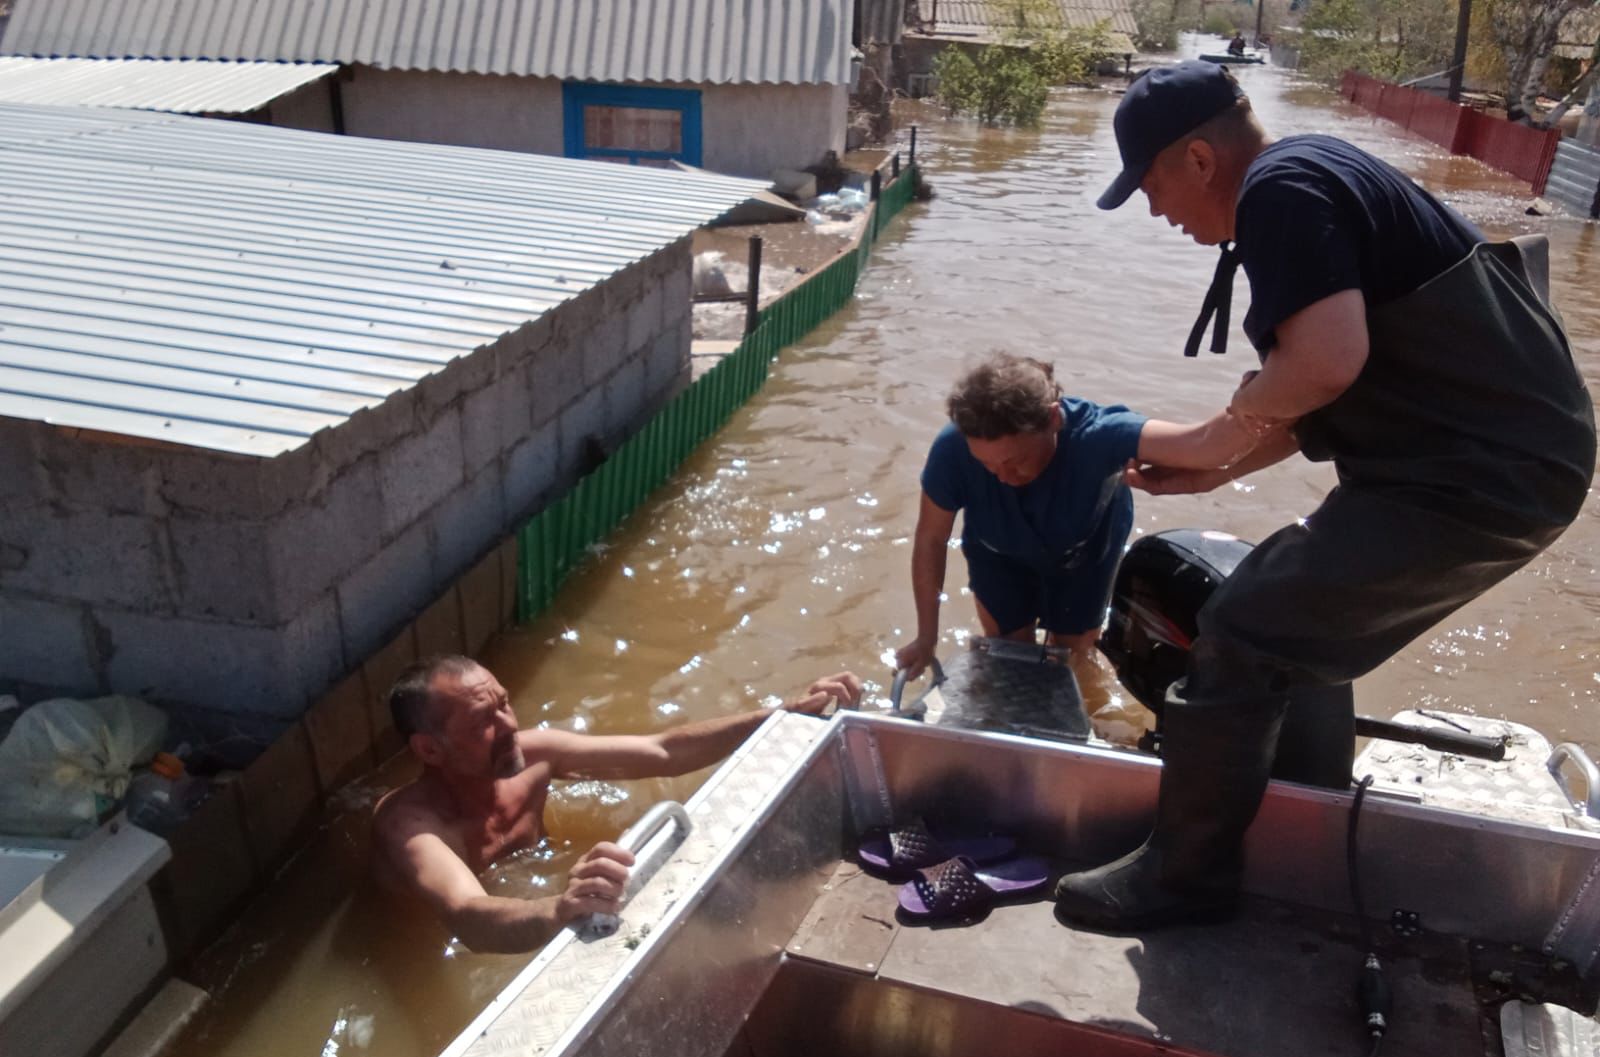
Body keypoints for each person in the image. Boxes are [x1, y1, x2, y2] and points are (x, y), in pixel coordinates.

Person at [1053, 61, 1595, 931]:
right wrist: (1215, 468)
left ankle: (1187, 875)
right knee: (1280, 619)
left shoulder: (1281, 190)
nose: (1156, 210)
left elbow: (1321, 365)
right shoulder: (1309, 173)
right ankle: (1270, 824)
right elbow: (1334, 385)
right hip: (1490, 457)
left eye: (1151, 185)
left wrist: (1223, 435)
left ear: (1198, 159)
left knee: (1245, 626)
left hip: (1479, 473)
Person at [373, 655, 862, 953]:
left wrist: (782, 716)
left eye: (505, 703)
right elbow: (466, 915)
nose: (508, 726)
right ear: (429, 749)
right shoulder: (411, 826)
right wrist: (558, 910)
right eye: (484, 720)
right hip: (411, 937)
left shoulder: (535, 756)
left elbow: (664, 752)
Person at [894, 353, 1271, 678]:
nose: (1005, 477)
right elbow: (931, 539)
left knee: (1072, 653)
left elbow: (1205, 446)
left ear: (1054, 419)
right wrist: (926, 637)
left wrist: (1260, 403)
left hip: (1087, 549)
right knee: (1009, 651)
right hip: (998, 550)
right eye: (987, 466)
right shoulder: (951, 449)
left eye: (1016, 461)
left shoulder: (1100, 435)